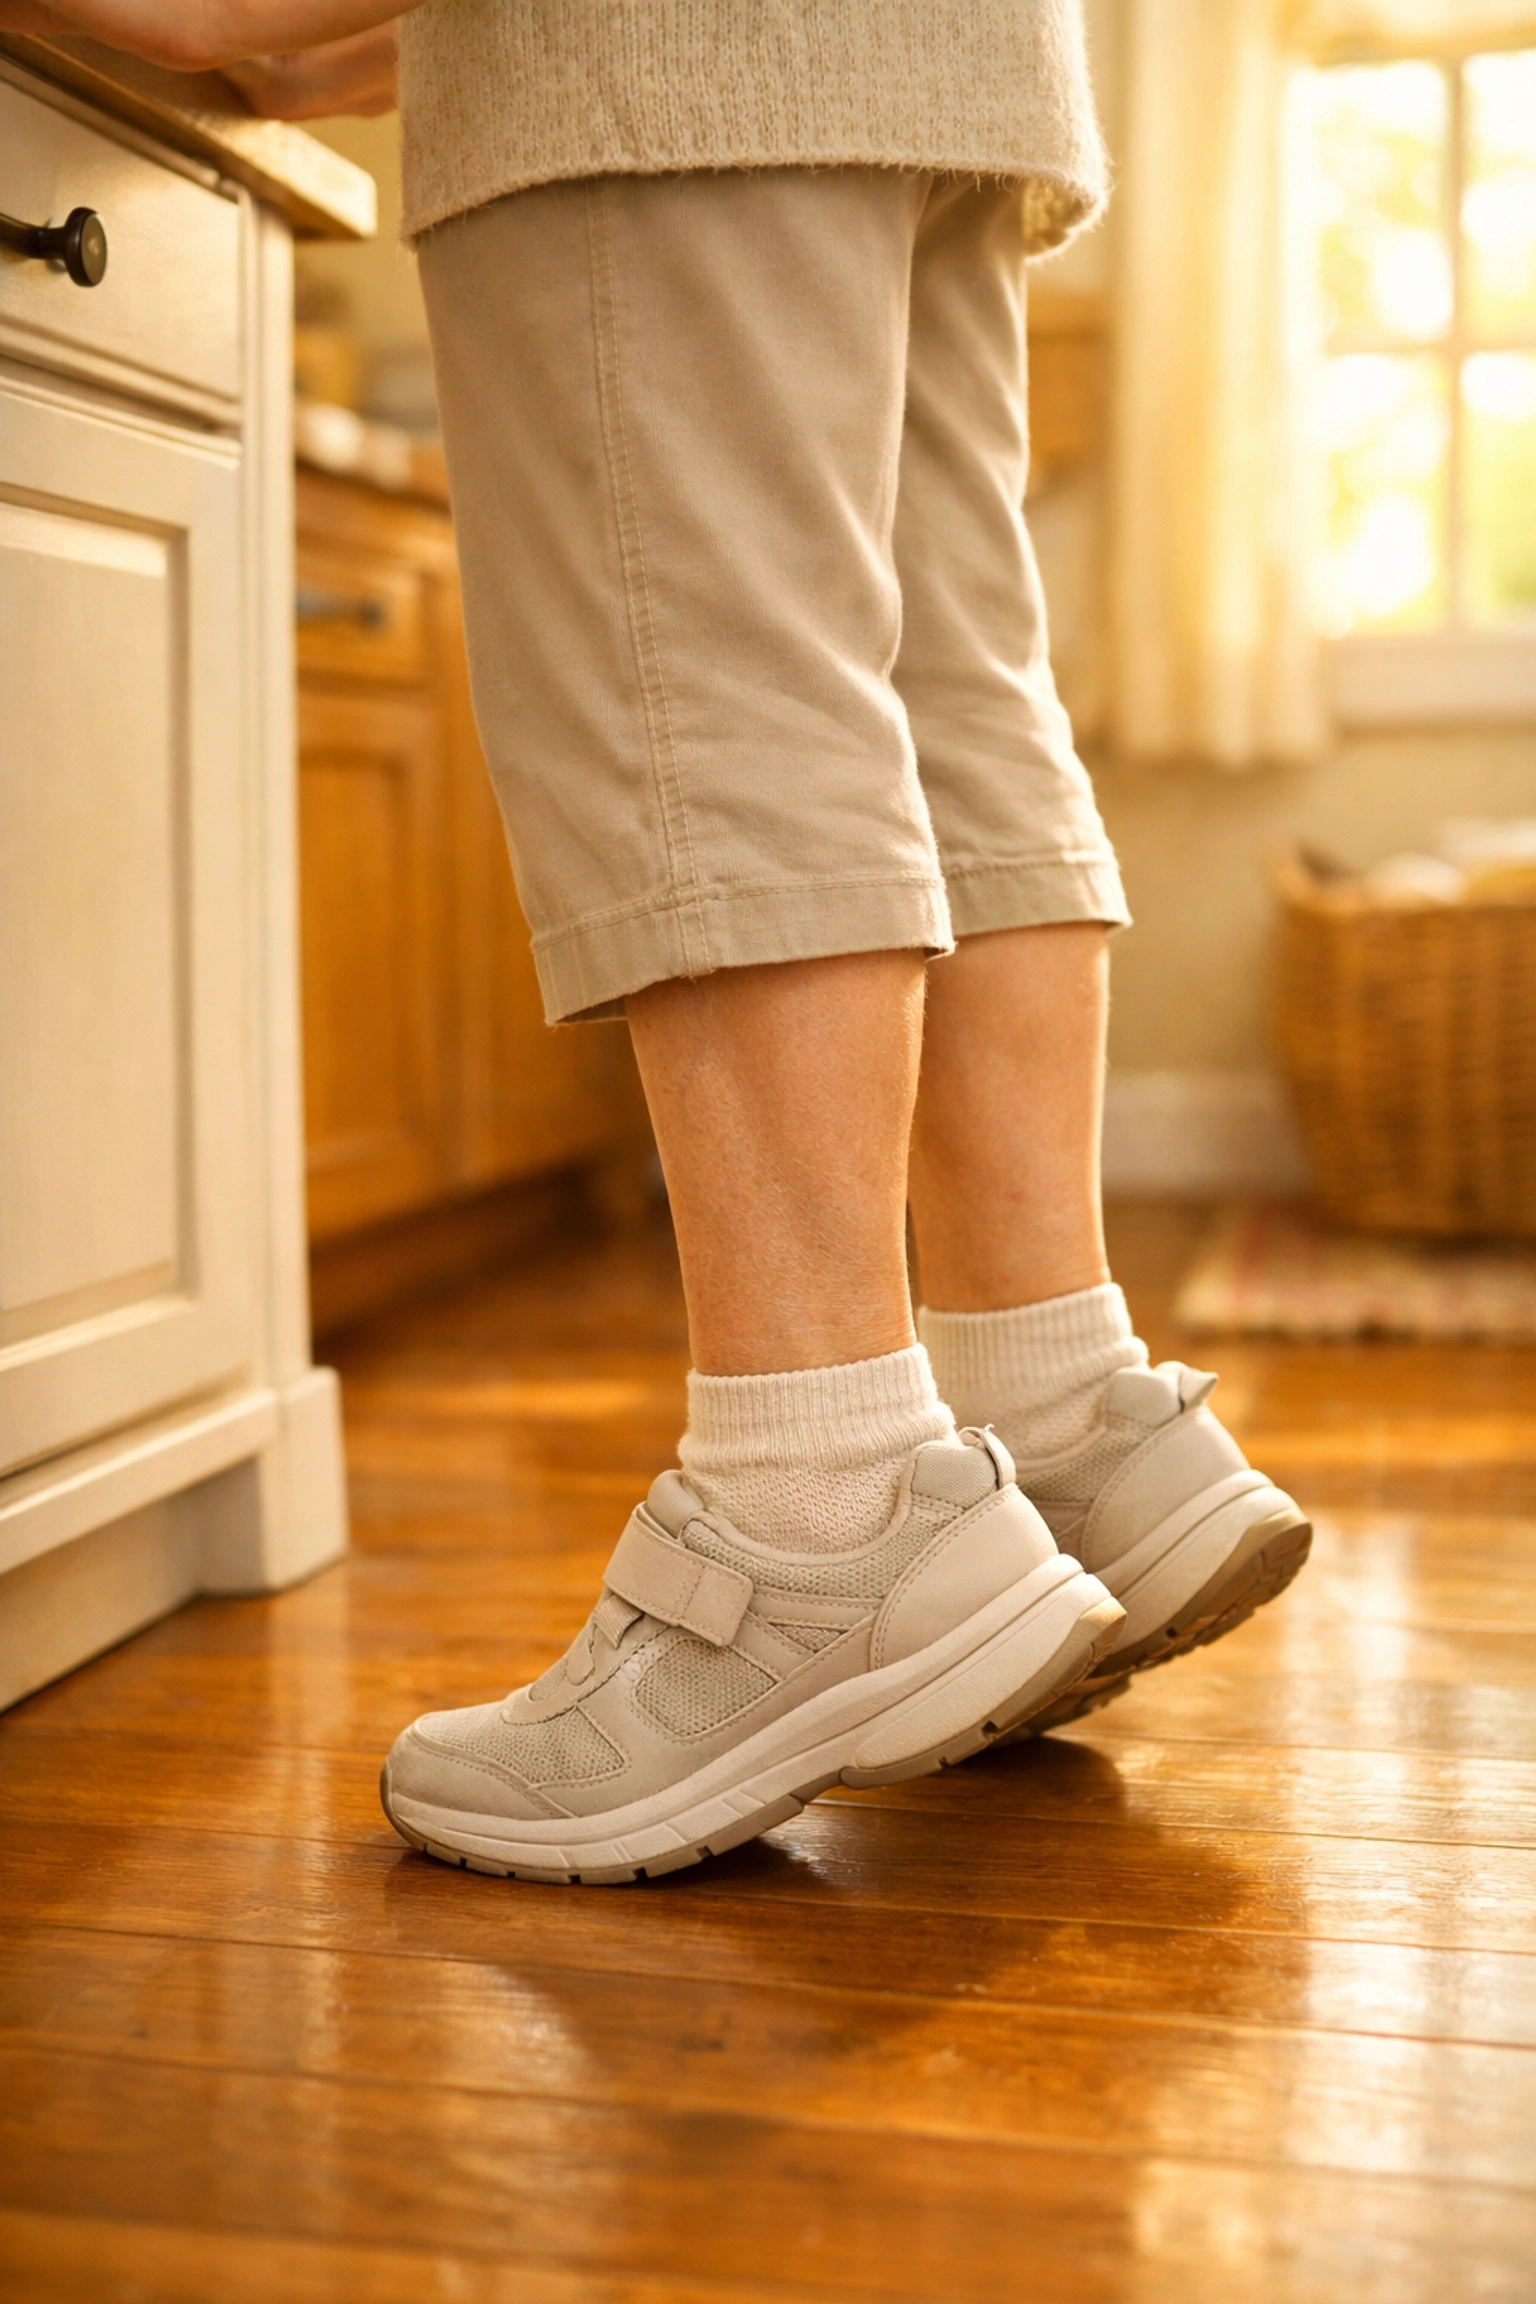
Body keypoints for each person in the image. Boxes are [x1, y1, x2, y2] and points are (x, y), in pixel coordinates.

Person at [5, 0, 1310, 1883]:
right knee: (940, 688)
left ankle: (818, 1512)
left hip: (650, 56)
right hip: (939, 55)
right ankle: (1057, 1400)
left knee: (706, 692)